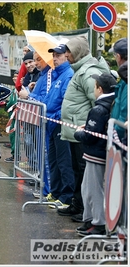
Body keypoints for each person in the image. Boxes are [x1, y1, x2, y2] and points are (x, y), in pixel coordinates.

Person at [59, 36, 110, 221]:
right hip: (78, 129)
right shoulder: (81, 69)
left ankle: (84, 210)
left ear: (77, 52)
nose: (66, 55)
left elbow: (98, 101)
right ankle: (77, 204)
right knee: (77, 170)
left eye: (69, 52)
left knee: (83, 171)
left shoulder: (87, 72)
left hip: (84, 130)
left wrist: (90, 126)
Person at [74, 73, 116, 236]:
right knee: (87, 188)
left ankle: (98, 223)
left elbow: (91, 136)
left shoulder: (98, 109)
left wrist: (79, 133)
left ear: (100, 88)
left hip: (96, 154)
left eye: (94, 86)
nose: (93, 90)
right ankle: (90, 219)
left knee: (93, 189)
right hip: (99, 152)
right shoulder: (109, 104)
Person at [42, 43, 75, 209]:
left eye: (58, 55)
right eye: (53, 55)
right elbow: (50, 99)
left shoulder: (68, 75)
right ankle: (55, 192)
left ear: (66, 56)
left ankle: (66, 196)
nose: (54, 58)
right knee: (53, 160)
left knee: (63, 161)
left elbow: (65, 103)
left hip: (59, 124)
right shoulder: (57, 75)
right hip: (52, 123)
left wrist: (53, 118)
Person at [18, 51, 52, 197]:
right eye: (27, 63)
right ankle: (42, 180)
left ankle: (48, 188)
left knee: (44, 153)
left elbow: (45, 100)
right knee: (34, 146)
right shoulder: (34, 75)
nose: (32, 64)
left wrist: (29, 95)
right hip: (34, 119)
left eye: (35, 60)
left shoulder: (48, 74)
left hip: (44, 119)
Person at [109, 38, 128, 139]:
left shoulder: (126, 80)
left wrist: (115, 135)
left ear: (119, 56)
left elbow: (124, 113)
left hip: (120, 137)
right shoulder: (124, 77)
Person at [4, 70, 19, 162]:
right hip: (13, 116)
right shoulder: (14, 90)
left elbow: (13, 103)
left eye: (16, 76)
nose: (14, 78)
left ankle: (16, 155)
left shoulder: (19, 89)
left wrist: (7, 106)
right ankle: (14, 154)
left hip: (17, 116)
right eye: (14, 76)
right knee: (13, 135)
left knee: (15, 135)